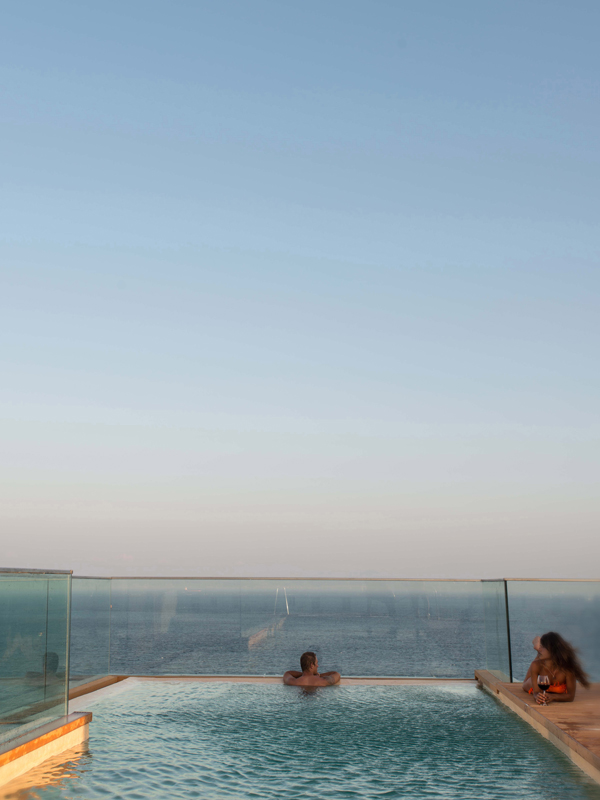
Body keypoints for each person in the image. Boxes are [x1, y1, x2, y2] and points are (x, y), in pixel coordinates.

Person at [523, 631, 590, 704]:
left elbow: (571, 696)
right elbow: (536, 692)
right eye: (540, 646)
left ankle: (538, 642)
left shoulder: (567, 669)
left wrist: (553, 697)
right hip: (538, 669)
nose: (540, 649)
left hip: (546, 661)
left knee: (540, 655)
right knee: (526, 683)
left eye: (543, 647)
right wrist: (537, 696)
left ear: (553, 650)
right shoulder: (536, 665)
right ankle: (537, 644)